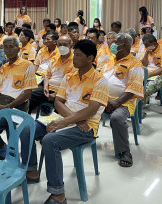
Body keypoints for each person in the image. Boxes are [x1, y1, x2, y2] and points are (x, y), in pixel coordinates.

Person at [20, 39, 108, 204]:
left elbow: (92, 110)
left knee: (49, 140)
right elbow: (58, 102)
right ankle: (31, 170)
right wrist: (69, 120)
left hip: (88, 126)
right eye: (75, 55)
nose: (74, 58)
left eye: (79, 56)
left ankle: (58, 194)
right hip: (68, 118)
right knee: (27, 129)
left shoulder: (100, 80)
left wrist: (67, 121)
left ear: (90, 59)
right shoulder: (69, 76)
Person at [0, 36, 37, 159]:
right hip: (1, 101)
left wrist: (7, 107)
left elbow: (27, 93)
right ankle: (3, 147)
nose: (8, 50)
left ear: (18, 48)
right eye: (5, 47)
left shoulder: (27, 65)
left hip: (16, 105)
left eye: (11, 47)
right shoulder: (4, 67)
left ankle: (5, 150)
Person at [102, 33, 144, 167]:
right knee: (78, 104)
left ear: (125, 46)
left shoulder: (135, 64)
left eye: (116, 43)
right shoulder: (110, 59)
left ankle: (125, 151)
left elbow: (133, 89)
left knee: (117, 118)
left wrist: (116, 102)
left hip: (124, 101)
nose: (112, 45)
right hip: (103, 98)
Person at [29, 35, 74, 116]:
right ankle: (25, 119)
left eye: (65, 44)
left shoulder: (75, 61)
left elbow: (73, 84)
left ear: (71, 45)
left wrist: (57, 94)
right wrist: (45, 88)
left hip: (64, 92)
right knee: (30, 95)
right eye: (60, 45)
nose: (62, 47)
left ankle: (54, 120)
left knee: (61, 105)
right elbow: (47, 76)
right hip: (49, 88)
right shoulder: (54, 59)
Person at [141, 34, 162, 109]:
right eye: (144, 45)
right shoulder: (145, 50)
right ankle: (131, 108)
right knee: (132, 86)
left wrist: (148, 75)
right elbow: (144, 64)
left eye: (147, 45)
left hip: (161, 76)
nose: (145, 47)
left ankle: (138, 111)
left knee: (146, 90)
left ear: (154, 44)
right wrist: (146, 53)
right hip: (146, 73)